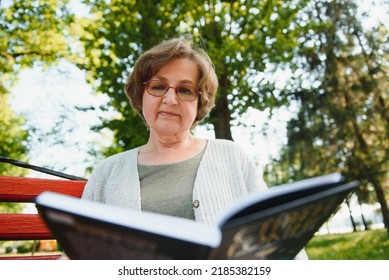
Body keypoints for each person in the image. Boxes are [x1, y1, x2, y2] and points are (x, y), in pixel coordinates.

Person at [81, 37, 307, 259]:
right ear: (141, 95)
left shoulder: (232, 157)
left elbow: (280, 239)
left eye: (185, 90)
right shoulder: (107, 173)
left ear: (200, 102)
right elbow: (77, 254)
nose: (170, 99)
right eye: (158, 87)